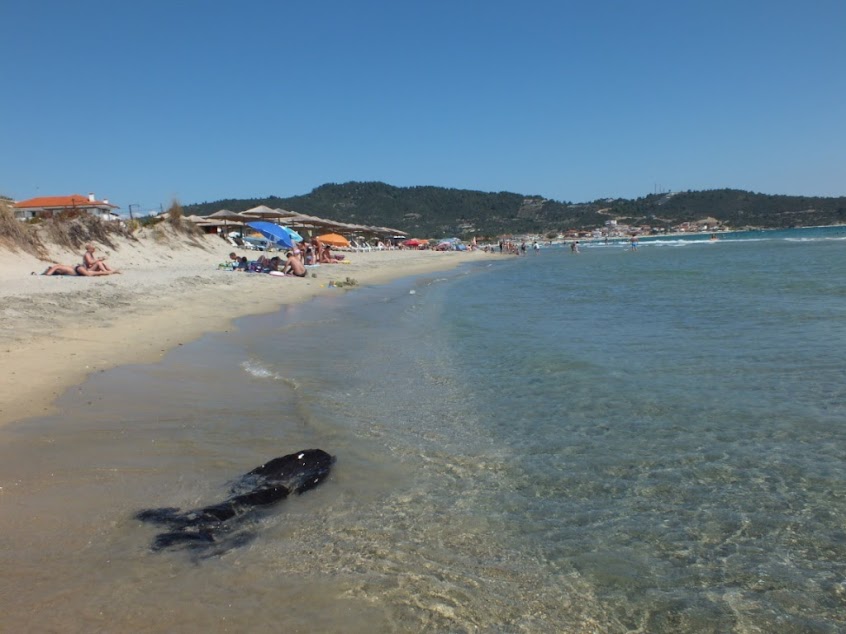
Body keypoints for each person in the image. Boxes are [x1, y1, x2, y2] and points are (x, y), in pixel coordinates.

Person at [43, 262, 110, 276]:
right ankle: (110, 271)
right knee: (92, 272)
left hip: (77, 270)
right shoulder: (59, 266)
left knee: (90, 274)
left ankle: (109, 272)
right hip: (77, 269)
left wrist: (46, 273)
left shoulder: (56, 267)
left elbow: (48, 274)